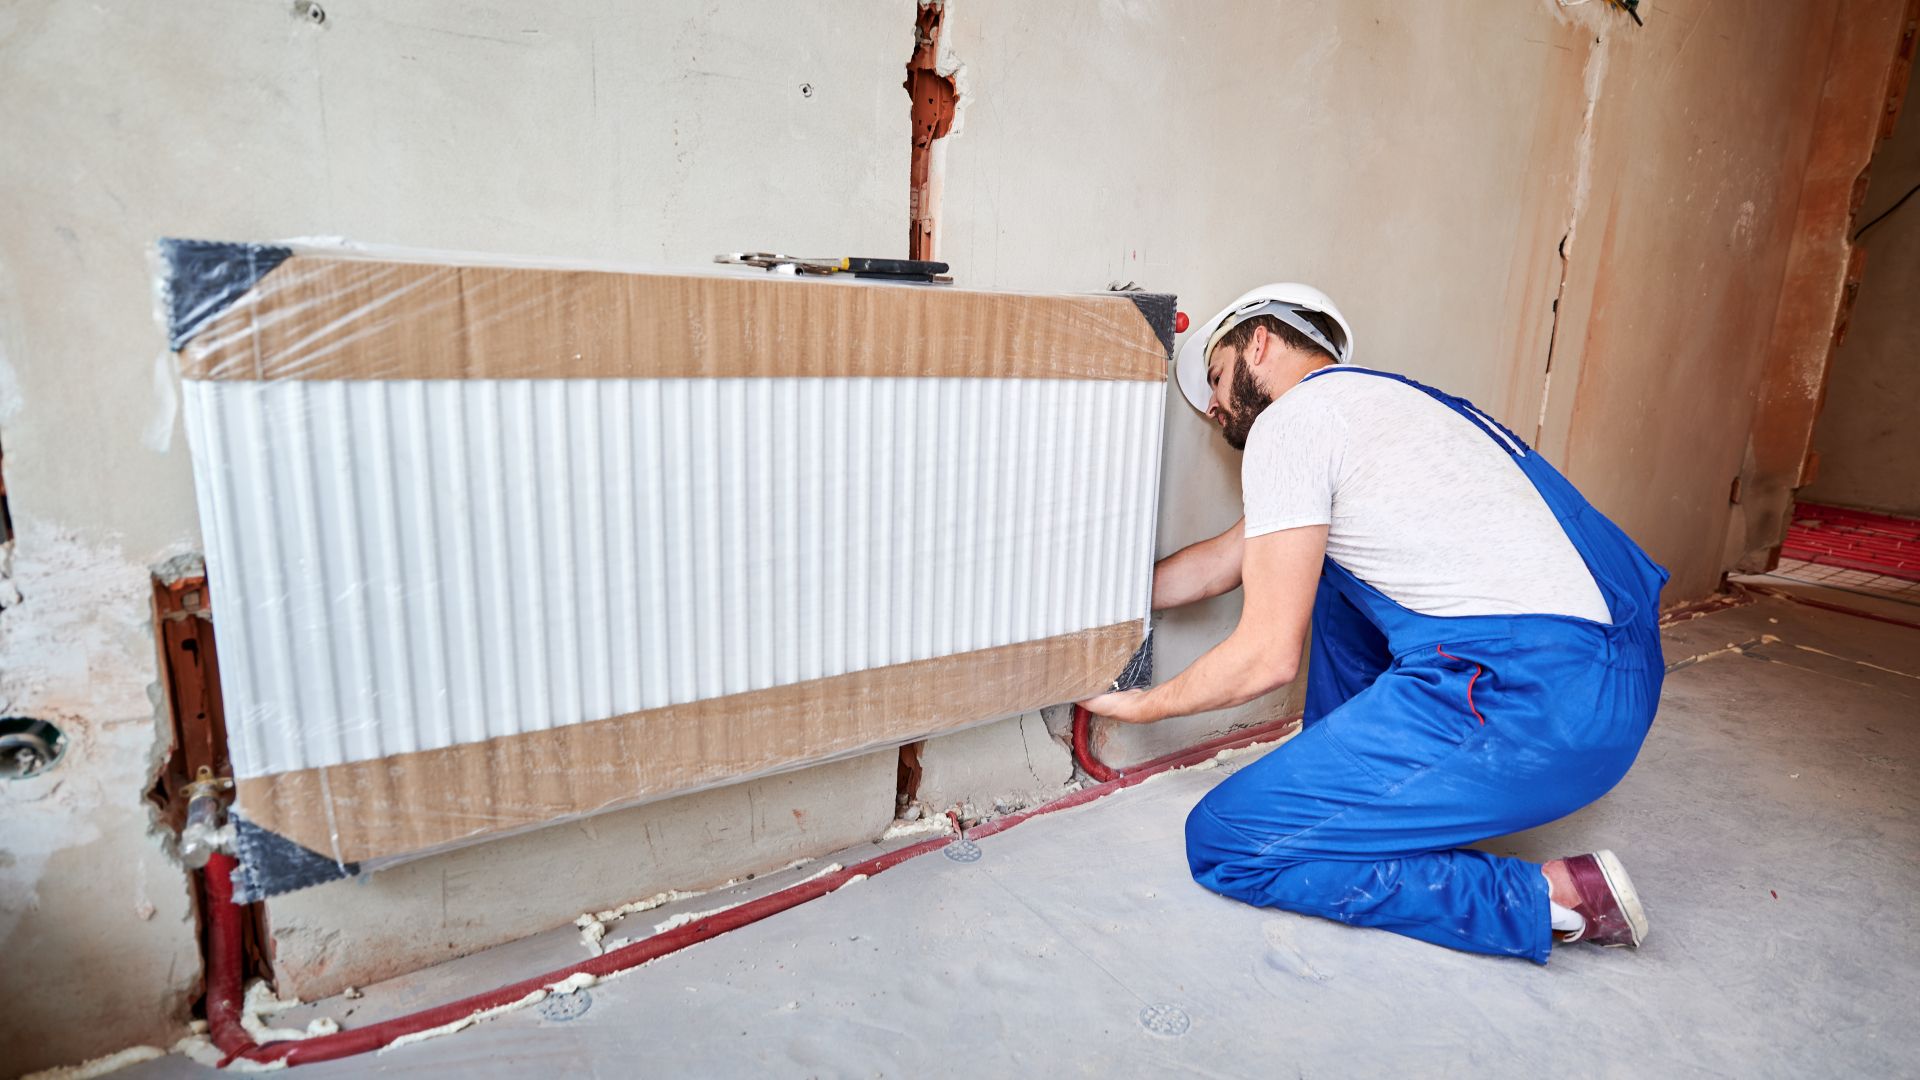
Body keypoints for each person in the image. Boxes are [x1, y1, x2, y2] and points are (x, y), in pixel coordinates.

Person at [1077, 283, 1667, 962]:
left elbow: (1267, 657)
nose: (1211, 406)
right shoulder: (1394, 407)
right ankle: (1360, 792)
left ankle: (1549, 898)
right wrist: (1096, 600)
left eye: (1214, 376)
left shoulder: (1291, 423)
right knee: (1318, 563)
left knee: (1230, 841)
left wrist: (1142, 706)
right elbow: (1224, 562)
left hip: (1526, 704)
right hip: (1619, 689)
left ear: (1259, 342)